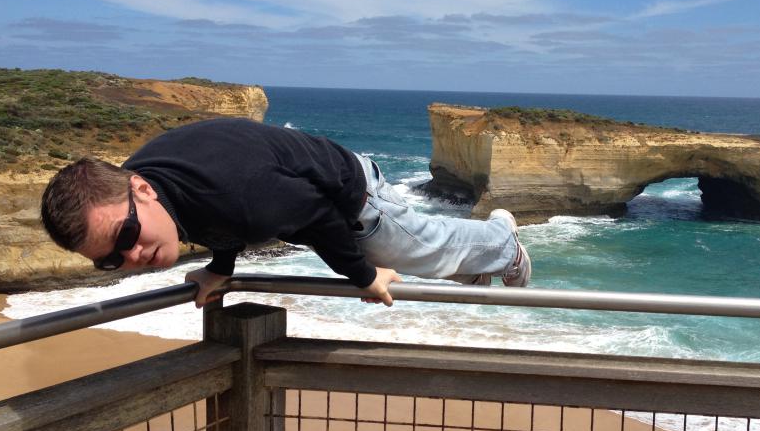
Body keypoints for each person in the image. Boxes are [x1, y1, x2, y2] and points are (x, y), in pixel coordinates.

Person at [40, 117, 531, 307]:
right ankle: (476, 263)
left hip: (352, 196)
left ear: (140, 189)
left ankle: (503, 243)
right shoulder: (143, 189)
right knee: (427, 252)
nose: (133, 255)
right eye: (111, 260)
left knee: (419, 249)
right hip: (294, 186)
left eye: (126, 235)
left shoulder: (238, 196)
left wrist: (364, 276)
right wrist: (219, 268)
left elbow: (316, 216)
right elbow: (213, 218)